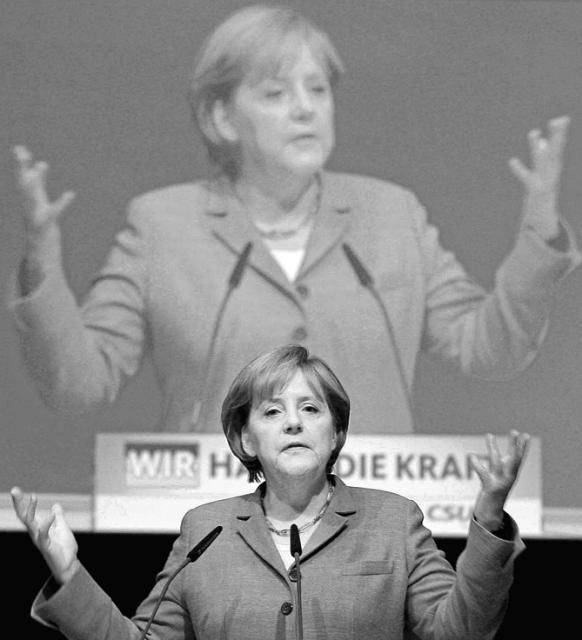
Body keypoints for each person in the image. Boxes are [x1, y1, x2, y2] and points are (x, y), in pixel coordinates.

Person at [8, 4, 581, 436]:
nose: (306, 108)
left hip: (372, 531)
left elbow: (489, 350)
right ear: (221, 118)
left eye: (318, 89)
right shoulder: (162, 226)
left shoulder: (393, 216)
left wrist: (538, 236)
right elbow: (78, 386)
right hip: (216, 532)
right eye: (276, 93)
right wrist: (42, 268)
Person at [12, 344, 530, 640]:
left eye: (311, 409)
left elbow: (461, 631)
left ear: (336, 434)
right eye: (273, 411)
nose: (293, 423)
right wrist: (69, 573)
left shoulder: (394, 521)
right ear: (245, 439)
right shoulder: (205, 530)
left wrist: (488, 520)